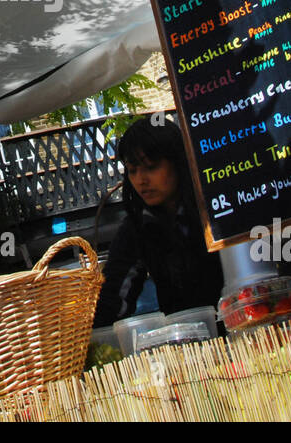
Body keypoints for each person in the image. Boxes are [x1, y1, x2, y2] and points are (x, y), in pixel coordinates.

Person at [93, 117, 223, 326]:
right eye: (132, 170)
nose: (141, 180)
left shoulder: (216, 207)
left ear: (179, 162)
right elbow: (112, 298)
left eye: (151, 167)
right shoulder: (136, 227)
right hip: (188, 343)